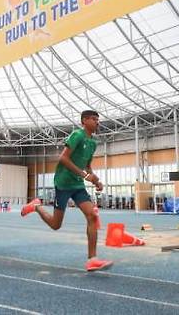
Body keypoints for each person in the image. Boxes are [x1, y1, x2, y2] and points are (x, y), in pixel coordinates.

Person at [21, 110, 112, 271]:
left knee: (92, 215)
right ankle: (36, 206)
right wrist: (85, 175)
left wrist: (96, 179)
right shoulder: (77, 135)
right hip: (63, 183)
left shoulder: (93, 143)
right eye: (94, 119)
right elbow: (63, 158)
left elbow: (88, 166)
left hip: (77, 185)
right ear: (84, 121)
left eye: (98, 120)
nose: (98, 122)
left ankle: (92, 259)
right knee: (56, 225)